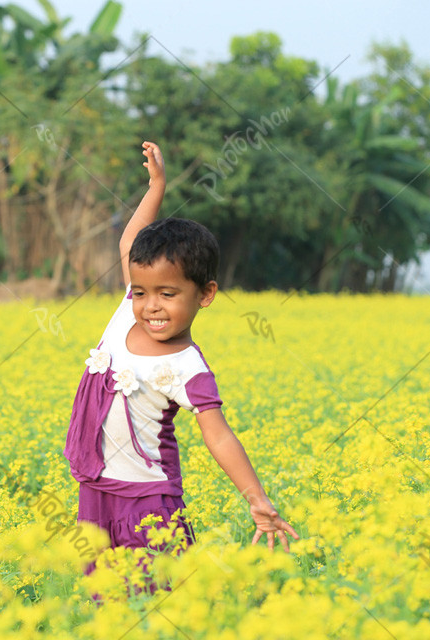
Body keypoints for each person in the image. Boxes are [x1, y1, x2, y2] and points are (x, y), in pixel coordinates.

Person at [63, 140, 299, 566]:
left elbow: (218, 434)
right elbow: (129, 245)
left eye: (168, 294)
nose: (151, 305)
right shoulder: (124, 313)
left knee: (157, 593)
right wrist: (157, 186)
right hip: (97, 487)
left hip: (149, 496)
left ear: (205, 295)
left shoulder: (187, 366)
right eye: (141, 292)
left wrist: (257, 499)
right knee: (104, 591)